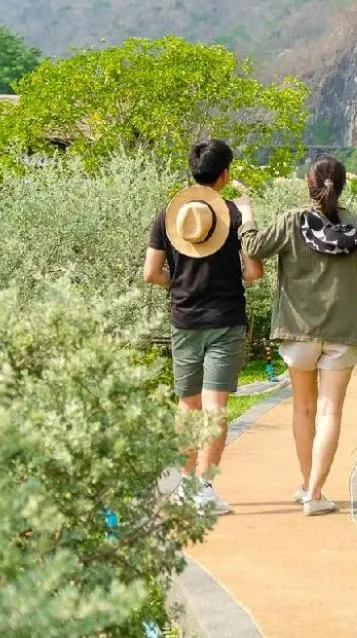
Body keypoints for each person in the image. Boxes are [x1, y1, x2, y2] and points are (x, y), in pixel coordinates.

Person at [237, 155, 357, 516]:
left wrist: (246, 214)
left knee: (303, 408)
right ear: (342, 185)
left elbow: (253, 247)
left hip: (299, 332)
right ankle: (314, 492)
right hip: (344, 333)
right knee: (330, 412)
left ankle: (306, 486)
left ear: (308, 185)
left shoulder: (292, 221)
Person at [142, 139, 263, 515]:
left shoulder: (169, 215)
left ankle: (184, 485)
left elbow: (150, 273)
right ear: (224, 175)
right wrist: (250, 218)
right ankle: (203, 487)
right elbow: (254, 272)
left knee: (187, 406)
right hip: (225, 321)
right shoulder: (234, 215)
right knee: (215, 408)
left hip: (185, 320)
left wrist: (177, 285)